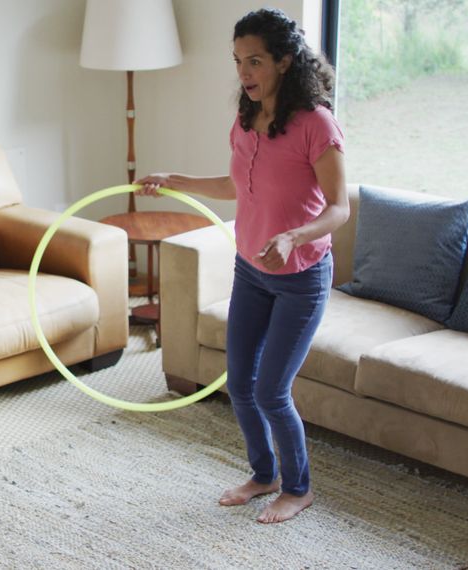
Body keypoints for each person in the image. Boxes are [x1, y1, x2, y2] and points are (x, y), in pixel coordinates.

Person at [136, 8, 349, 524]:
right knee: (239, 384)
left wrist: (295, 235)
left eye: (255, 61)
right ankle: (263, 474)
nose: (245, 73)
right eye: (238, 61)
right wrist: (174, 180)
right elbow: (237, 187)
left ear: (284, 60)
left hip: (300, 278)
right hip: (250, 270)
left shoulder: (316, 125)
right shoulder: (247, 118)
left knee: (271, 390)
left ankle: (298, 488)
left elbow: (339, 207)